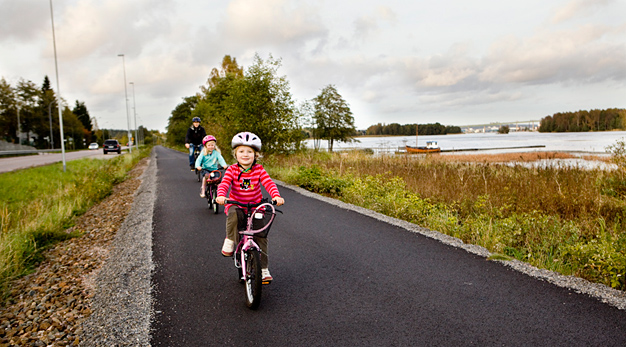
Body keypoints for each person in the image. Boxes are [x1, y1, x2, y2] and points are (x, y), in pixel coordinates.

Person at [216, 132, 285, 282]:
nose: (245, 155)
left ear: (256, 155)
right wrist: (221, 195)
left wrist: (276, 196)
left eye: (249, 152)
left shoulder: (259, 169)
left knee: (261, 236)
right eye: (241, 151)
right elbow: (224, 184)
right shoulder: (232, 170)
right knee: (233, 214)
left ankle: (264, 269)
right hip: (237, 204)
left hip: (256, 206)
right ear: (235, 154)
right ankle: (229, 240)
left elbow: (269, 183)